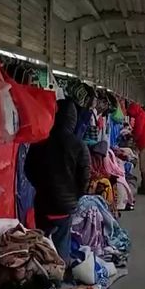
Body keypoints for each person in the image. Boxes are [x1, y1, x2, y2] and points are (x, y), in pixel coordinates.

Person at [24, 99, 90, 272]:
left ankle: (41, 277)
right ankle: (58, 282)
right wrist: (75, 195)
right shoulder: (78, 145)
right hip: (65, 206)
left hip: (43, 203)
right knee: (61, 242)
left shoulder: (40, 141)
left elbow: (28, 169)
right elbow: (84, 177)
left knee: (42, 242)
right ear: (73, 120)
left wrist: (41, 187)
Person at [126, 102, 145, 194]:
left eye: (130, 113)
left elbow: (138, 132)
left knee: (144, 167)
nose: (130, 115)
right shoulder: (142, 115)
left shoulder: (141, 116)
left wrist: (132, 137)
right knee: (144, 166)